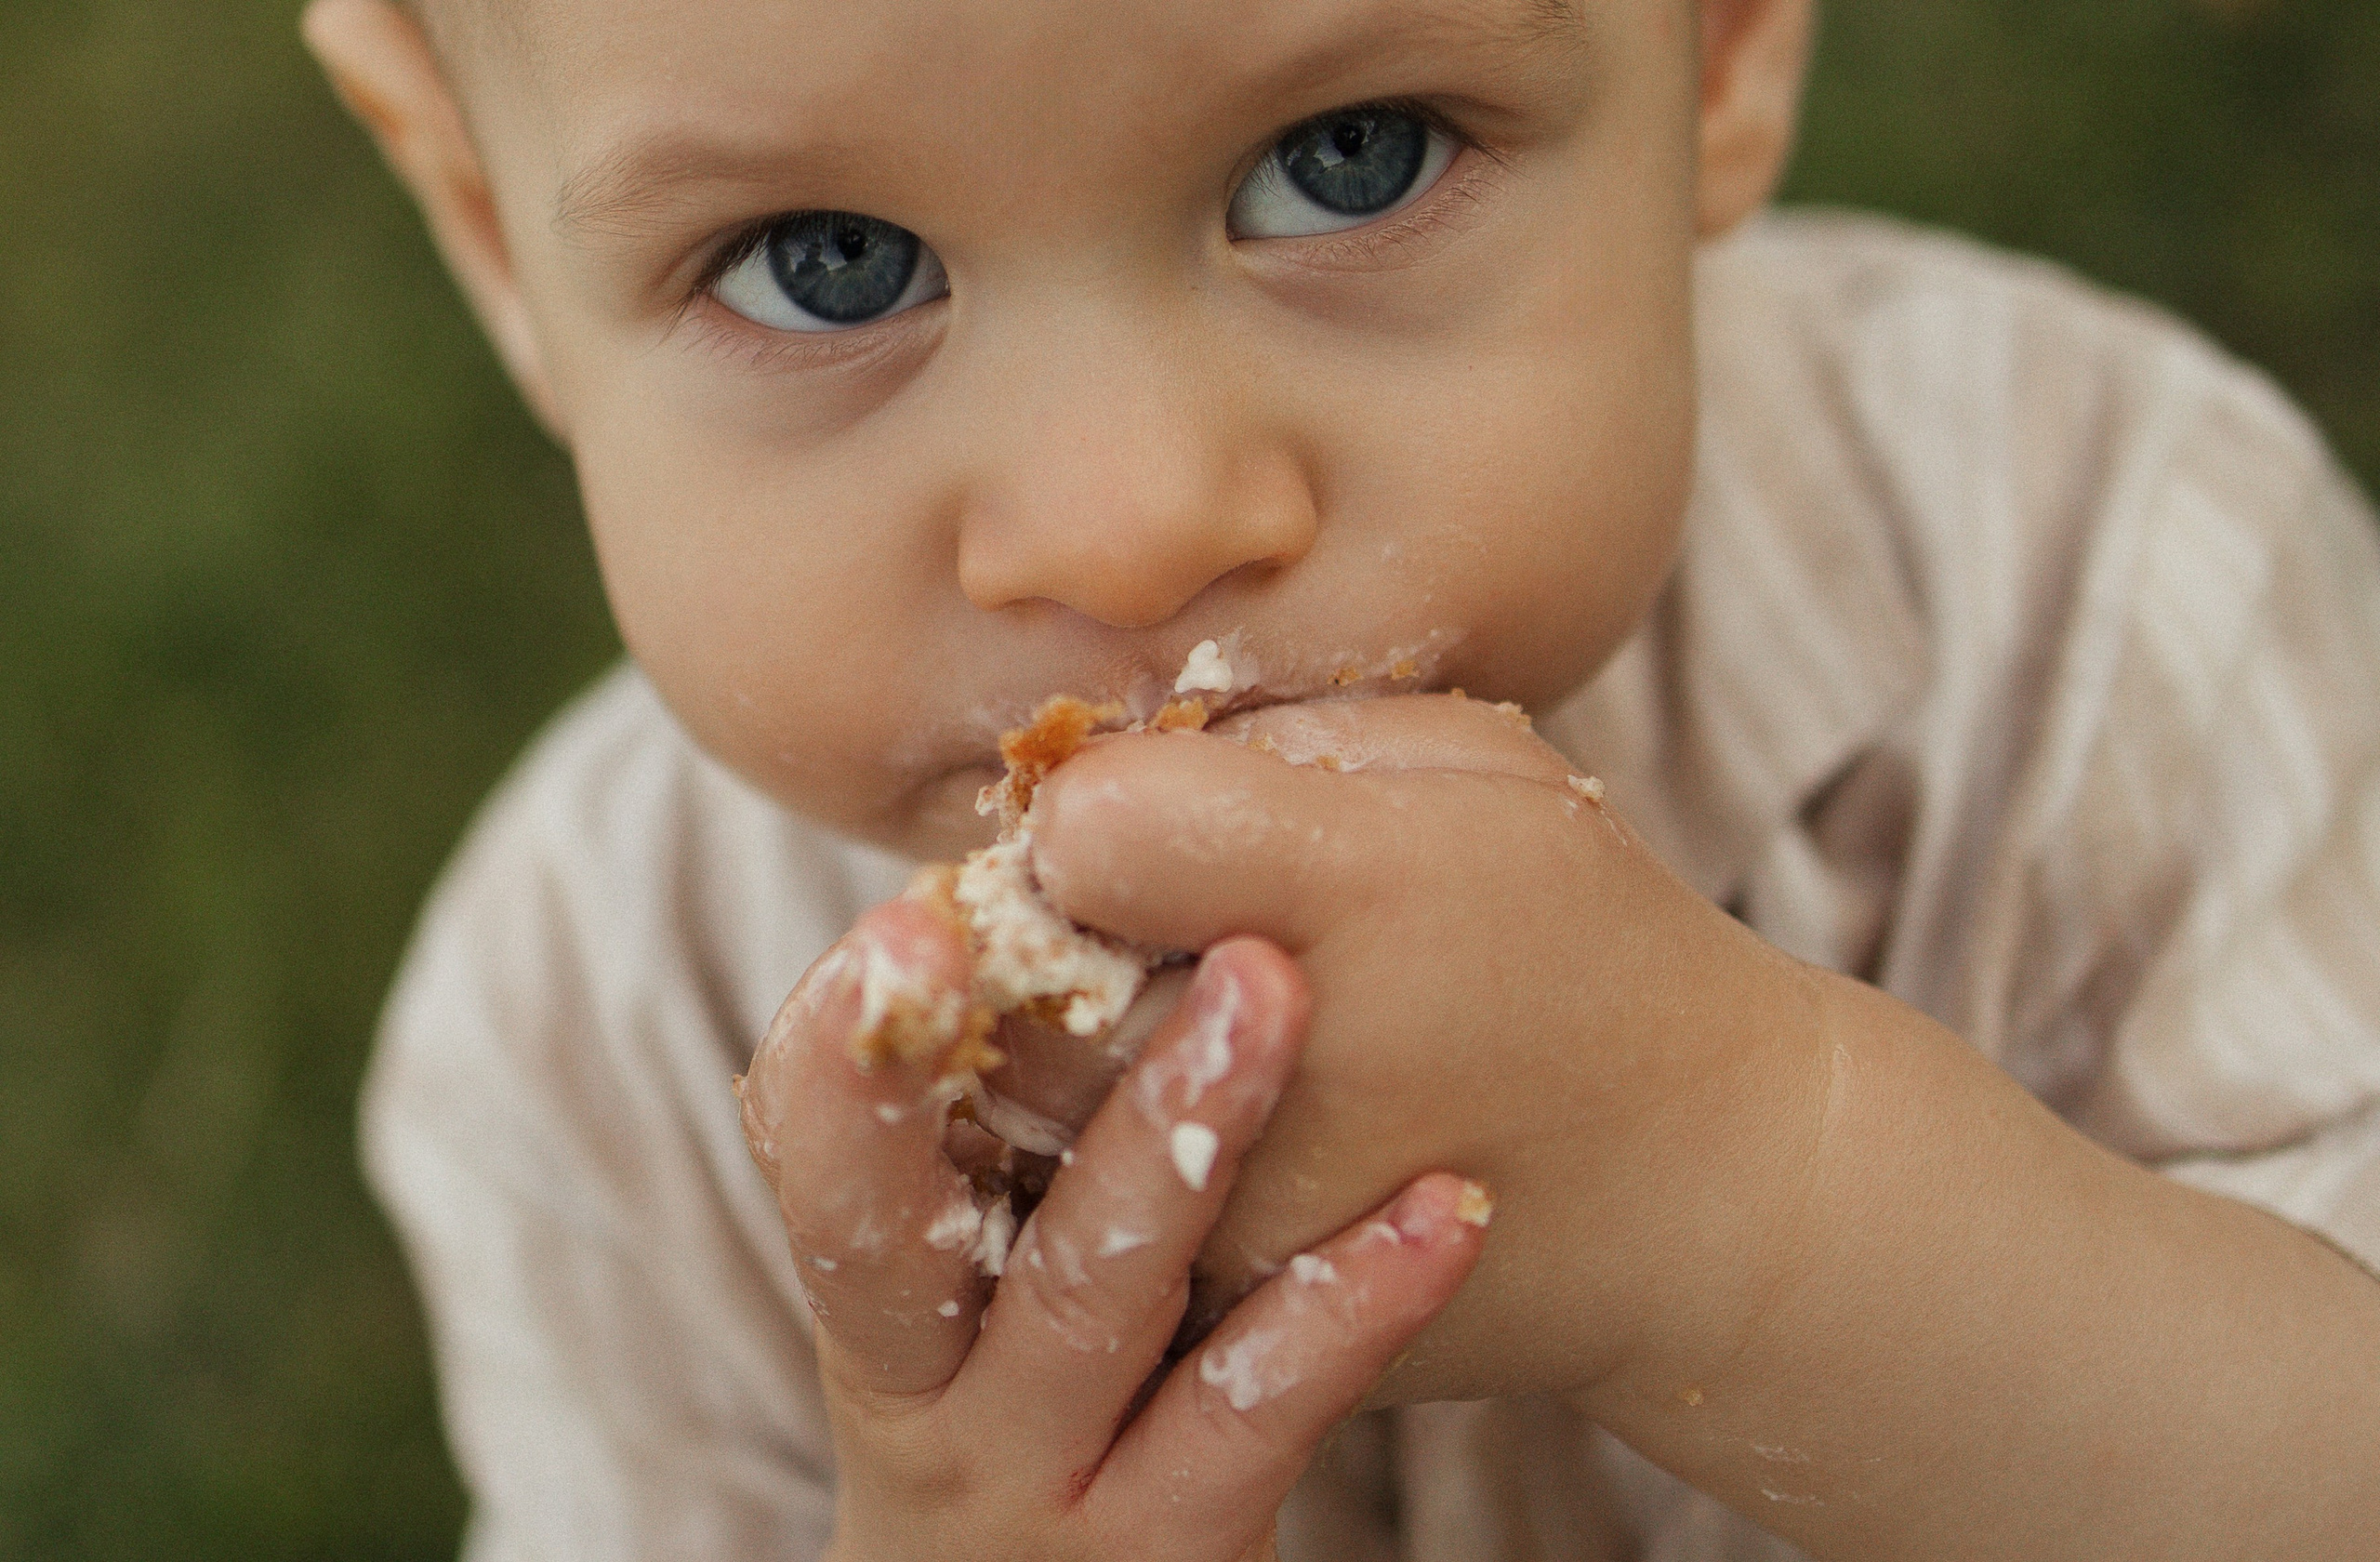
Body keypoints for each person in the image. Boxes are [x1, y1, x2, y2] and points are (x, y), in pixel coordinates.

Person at [302, 0, 2380, 1555]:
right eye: (823, 260)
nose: (1124, 526)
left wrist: (1754, 1201)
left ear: (1720, 43)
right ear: (496, 237)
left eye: (1351, 156)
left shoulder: (2103, 597)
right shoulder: (584, 1045)